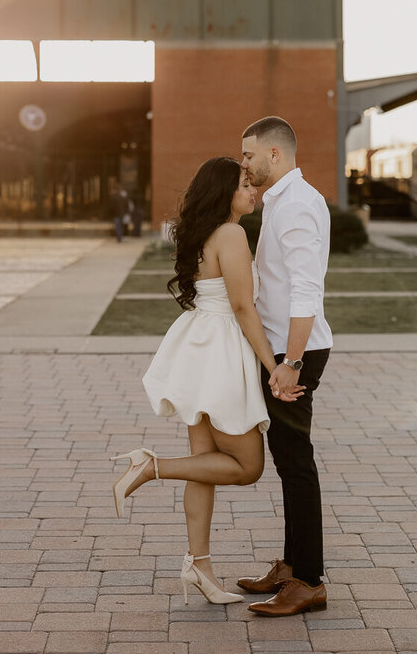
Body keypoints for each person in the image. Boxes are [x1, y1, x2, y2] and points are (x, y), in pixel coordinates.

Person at [109, 157, 279, 605]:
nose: (253, 190)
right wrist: (274, 366)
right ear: (224, 191)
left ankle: (199, 567)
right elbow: (244, 308)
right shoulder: (232, 233)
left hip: (199, 343)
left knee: (203, 464)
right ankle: (151, 466)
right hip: (221, 349)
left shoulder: (204, 233)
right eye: (245, 184)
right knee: (248, 466)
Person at [235, 116, 333, 617]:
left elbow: (305, 290)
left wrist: (290, 361)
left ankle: (309, 581)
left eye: (249, 154)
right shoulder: (285, 200)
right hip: (284, 350)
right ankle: (294, 566)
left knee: (296, 462)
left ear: (275, 154)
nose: (244, 163)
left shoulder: (295, 206)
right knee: (289, 460)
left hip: (295, 352)